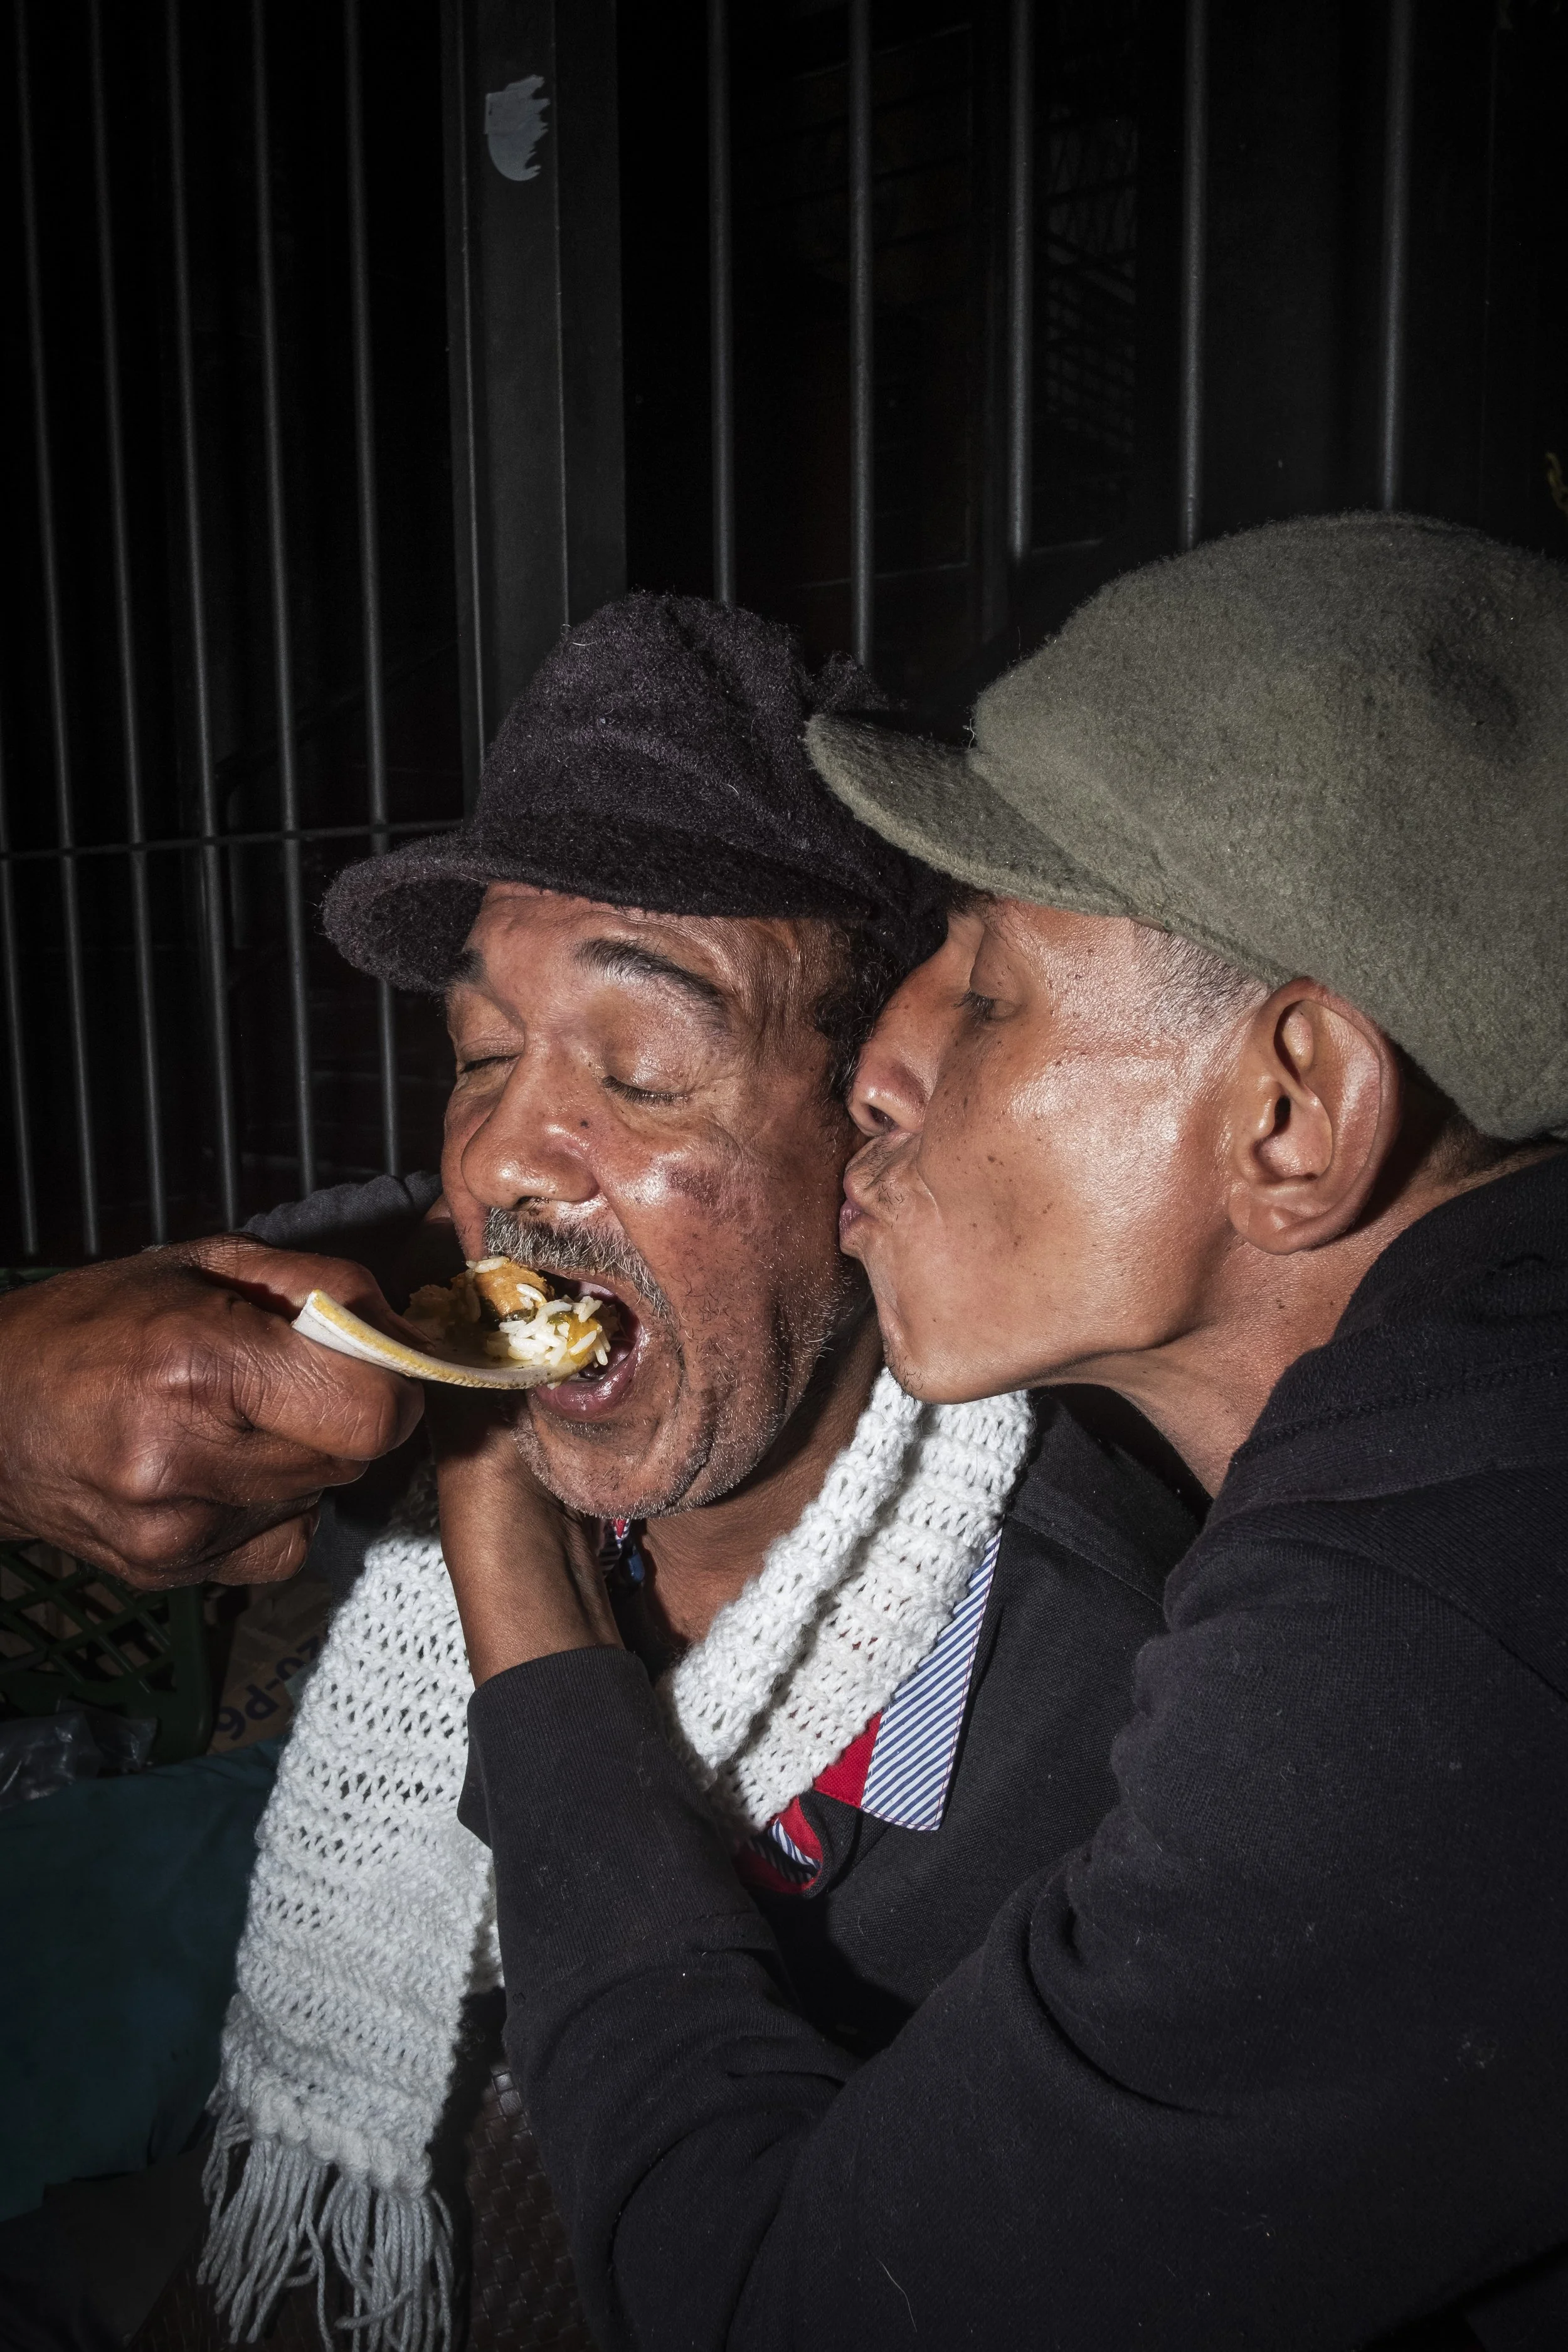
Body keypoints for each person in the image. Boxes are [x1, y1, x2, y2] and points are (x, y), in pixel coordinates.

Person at [430, 516, 1568, 2351]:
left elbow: (776, 2310)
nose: (886, 1062)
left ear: (1294, 1117)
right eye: (479, 1058)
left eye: (983, 981)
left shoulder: (1407, 1658)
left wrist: (509, 1569)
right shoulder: (1460, 1428)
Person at [82, 595, 1195, 2346]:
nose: (508, 1155)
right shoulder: (403, 1428)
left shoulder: (1092, 1727)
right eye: (475, 1059)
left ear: (873, 1137)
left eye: (643, 1067)